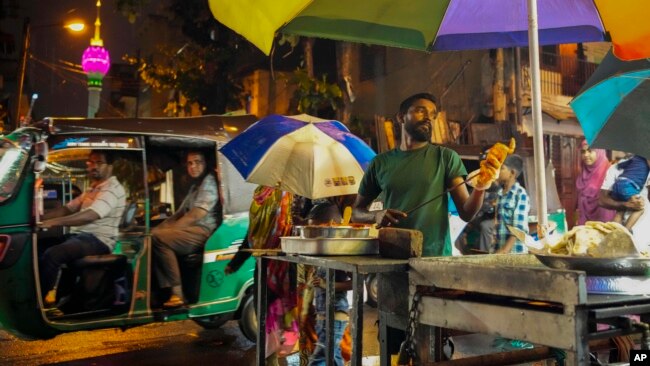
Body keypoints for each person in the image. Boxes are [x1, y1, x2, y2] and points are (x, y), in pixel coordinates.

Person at [352, 92, 502, 257]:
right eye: (421, 111)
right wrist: (376, 215)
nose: (428, 118)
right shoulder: (380, 163)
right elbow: (356, 213)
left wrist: (481, 185)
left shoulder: (445, 157)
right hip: (391, 259)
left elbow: (466, 213)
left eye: (432, 114)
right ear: (401, 117)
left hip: (434, 259)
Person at [39, 150, 126, 308]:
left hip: (99, 240)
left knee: (54, 254)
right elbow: (68, 208)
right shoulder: (93, 188)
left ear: (110, 166)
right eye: (91, 162)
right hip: (81, 236)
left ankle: (37, 303)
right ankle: (60, 297)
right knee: (39, 246)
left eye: (99, 163)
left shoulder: (111, 189)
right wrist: (40, 218)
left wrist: (54, 223)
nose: (93, 167)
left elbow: (91, 215)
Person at [152, 150, 218, 308]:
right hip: (192, 229)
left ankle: (177, 293)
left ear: (206, 164)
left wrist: (168, 231)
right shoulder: (196, 186)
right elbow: (180, 213)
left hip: (203, 230)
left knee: (159, 239)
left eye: (197, 162)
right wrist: (158, 228)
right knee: (154, 235)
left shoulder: (209, 181)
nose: (193, 166)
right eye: (190, 163)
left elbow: (196, 214)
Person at [599, 156, 650, 237]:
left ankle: (614, 233)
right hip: (633, 221)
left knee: (620, 212)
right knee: (640, 208)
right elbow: (601, 200)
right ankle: (626, 231)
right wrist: (624, 204)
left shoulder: (629, 162)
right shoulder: (614, 168)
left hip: (644, 226)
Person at [493, 154, 530, 254]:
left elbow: (518, 228)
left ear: (512, 173)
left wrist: (504, 250)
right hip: (500, 251)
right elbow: (497, 227)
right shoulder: (500, 194)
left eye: (502, 168)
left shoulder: (520, 194)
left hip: (515, 253)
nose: (498, 172)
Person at [576, 141, 616, 225]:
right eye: (583, 152)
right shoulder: (582, 173)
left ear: (599, 152)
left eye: (590, 151)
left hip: (604, 222)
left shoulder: (610, 171)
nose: (586, 155)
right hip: (585, 224)